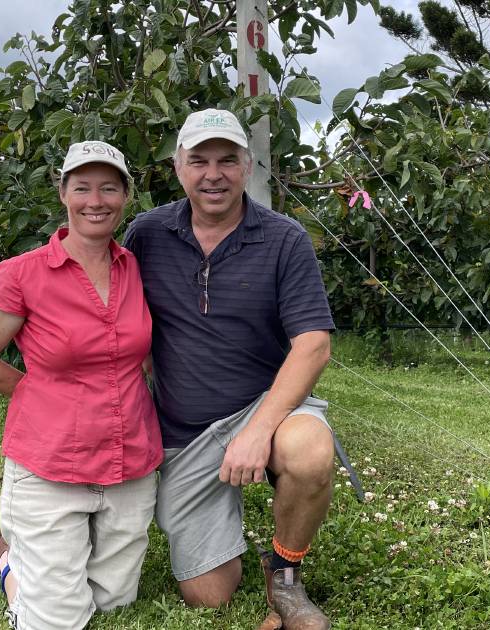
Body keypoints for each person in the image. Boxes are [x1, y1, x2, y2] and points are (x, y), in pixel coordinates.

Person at [122, 108, 336, 630]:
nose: (212, 174)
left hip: (265, 408)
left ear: (247, 166)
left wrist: (259, 430)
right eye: (199, 160)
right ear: (178, 167)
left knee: (308, 450)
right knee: (209, 595)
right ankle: (230, 539)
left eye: (226, 160)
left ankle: (285, 576)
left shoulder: (285, 239)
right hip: (183, 432)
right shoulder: (145, 234)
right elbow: (118, 317)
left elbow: (313, 344)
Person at [0, 140, 162, 630]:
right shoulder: (23, 274)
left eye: (109, 188)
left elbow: (144, 353)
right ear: (64, 194)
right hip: (51, 463)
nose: (96, 200)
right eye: (83, 187)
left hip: (128, 457)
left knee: (113, 601)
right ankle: (11, 564)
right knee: (59, 622)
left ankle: (32, 555)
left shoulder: (135, 268)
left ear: (126, 196)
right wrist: (36, 393)